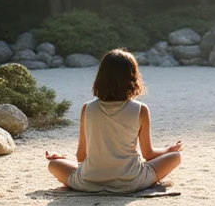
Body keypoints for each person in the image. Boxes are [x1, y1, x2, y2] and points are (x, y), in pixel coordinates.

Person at [45, 49, 182, 193]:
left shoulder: (87, 108)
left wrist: (63, 158)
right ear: (133, 78)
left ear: (101, 78)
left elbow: (81, 157)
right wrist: (168, 150)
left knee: (54, 164)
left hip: (89, 182)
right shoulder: (140, 110)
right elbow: (148, 154)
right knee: (176, 157)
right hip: (131, 182)